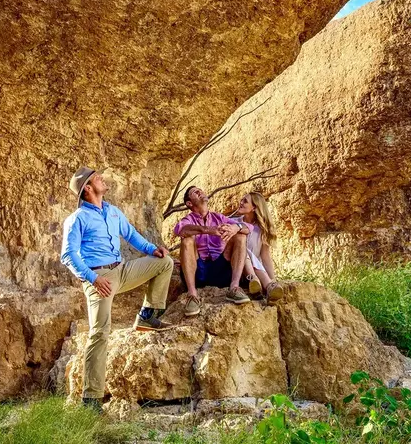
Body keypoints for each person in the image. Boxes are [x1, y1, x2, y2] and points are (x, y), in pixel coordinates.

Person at [60, 166, 174, 411]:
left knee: (164, 262)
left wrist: (152, 249)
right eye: (96, 178)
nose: (102, 178)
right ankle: (90, 400)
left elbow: (131, 234)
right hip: (99, 277)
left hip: (121, 270)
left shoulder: (112, 212)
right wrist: (92, 278)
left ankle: (148, 315)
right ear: (87, 189)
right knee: (99, 333)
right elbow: (68, 255)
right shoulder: (77, 218)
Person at [174, 185, 251, 316]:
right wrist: (208, 230)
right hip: (199, 272)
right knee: (186, 240)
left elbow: (249, 227)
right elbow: (181, 230)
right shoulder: (188, 220)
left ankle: (234, 288)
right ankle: (192, 295)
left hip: (220, 268)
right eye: (194, 192)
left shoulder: (219, 217)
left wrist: (236, 227)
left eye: (200, 189)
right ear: (189, 203)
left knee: (240, 236)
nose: (200, 191)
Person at [231, 192, 284, 302]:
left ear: (254, 207)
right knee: (243, 250)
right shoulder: (233, 223)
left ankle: (264, 284)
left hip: (255, 273)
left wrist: (273, 278)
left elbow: (265, 256)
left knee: (247, 252)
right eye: (241, 200)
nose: (240, 203)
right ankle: (266, 284)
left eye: (245, 201)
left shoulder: (262, 228)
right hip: (236, 271)